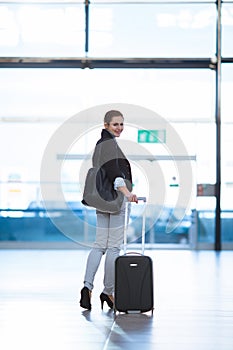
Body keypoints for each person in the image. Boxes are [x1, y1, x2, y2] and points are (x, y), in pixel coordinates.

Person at [80, 110, 138, 310]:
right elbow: (115, 173)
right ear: (105, 125)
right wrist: (127, 193)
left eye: (122, 124)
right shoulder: (109, 145)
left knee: (99, 245)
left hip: (101, 201)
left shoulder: (100, 145)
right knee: (113, 247)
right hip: (115, 201)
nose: (119, 128)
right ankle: (108, 292)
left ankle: (87, 287)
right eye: (115, 124)